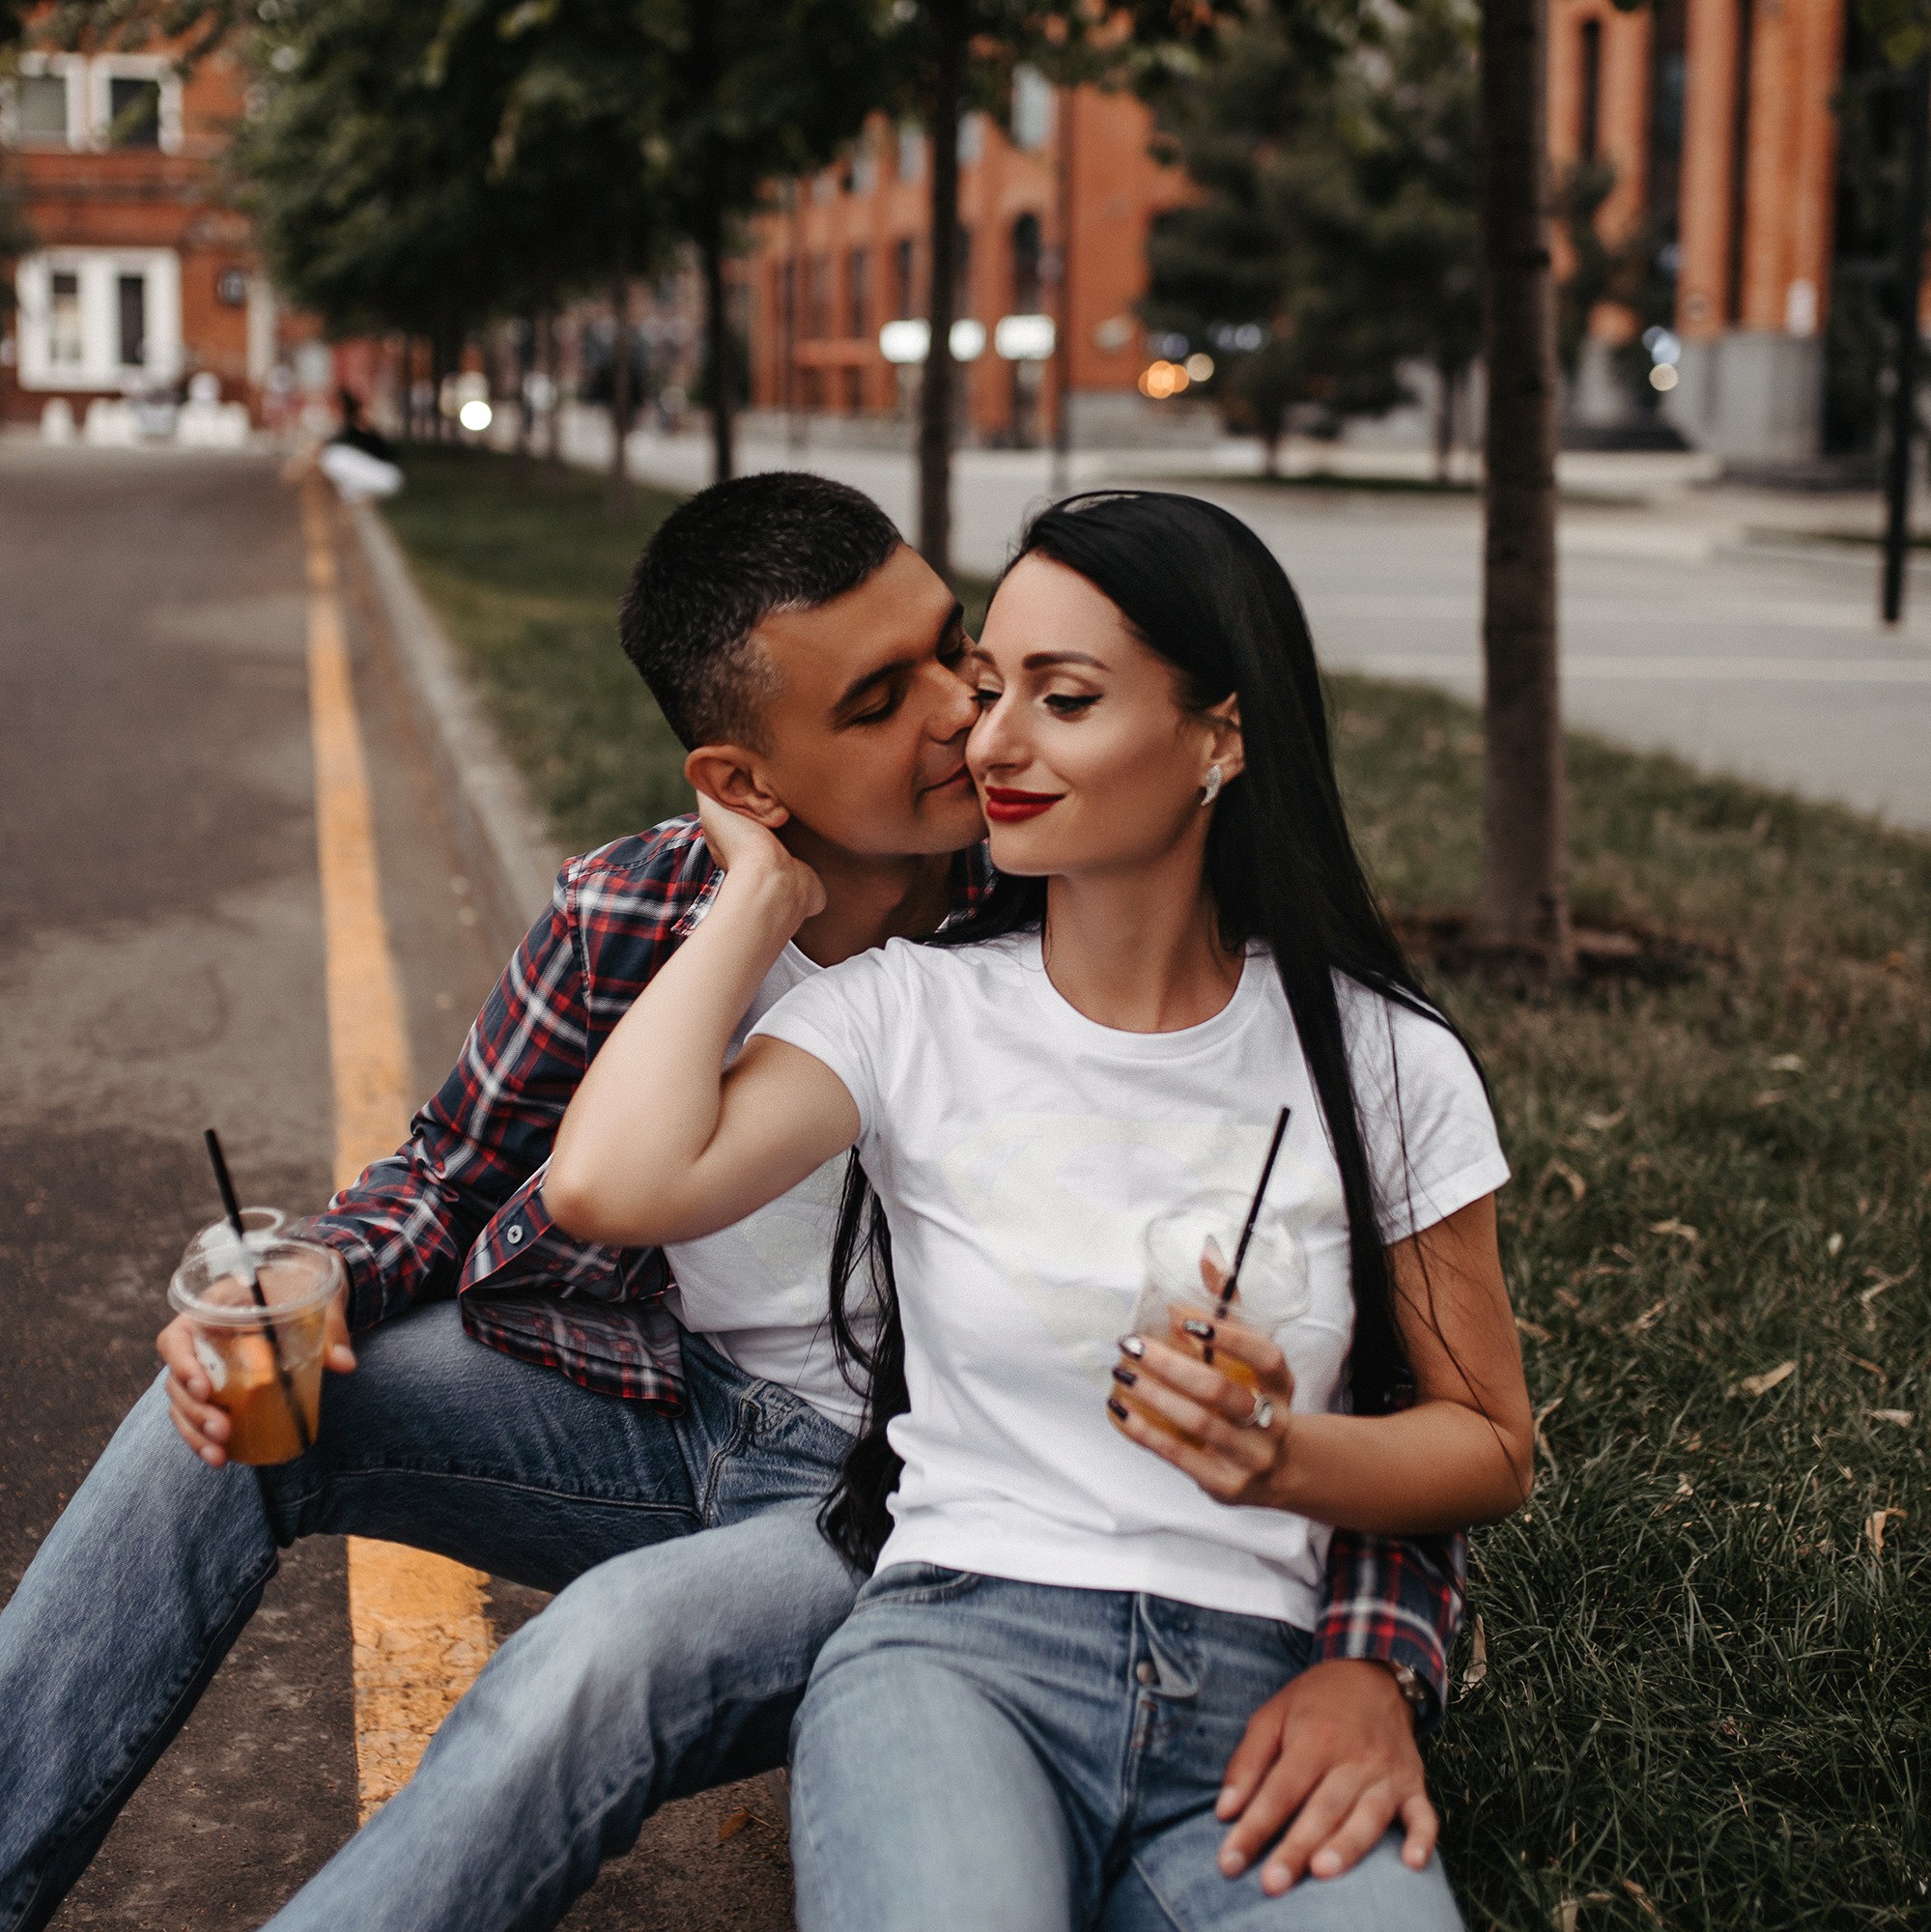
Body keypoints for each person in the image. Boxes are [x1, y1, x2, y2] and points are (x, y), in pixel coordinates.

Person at [0, 476, 1462, 1932]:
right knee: (233, 1403)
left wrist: (1373, 1655)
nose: (967, 716)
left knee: (593, 1661)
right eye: (885, 701)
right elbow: (453, 1174)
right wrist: (305, 1281)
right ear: (748, 783)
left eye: (955, 648)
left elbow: (1345, 1329)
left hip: (899, 1507)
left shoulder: (1077, 878)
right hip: (659, 1408)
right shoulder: (632, 915)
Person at [546, 490, 1535, 1931]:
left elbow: (1490, 1442)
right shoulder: (911, 1012)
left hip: (1257, 1709)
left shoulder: (1384, 1058)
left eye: (1061, 700)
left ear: (1222, 735)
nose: (989, 741)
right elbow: (607, 1184)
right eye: (990, 685)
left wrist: (1283, 1461)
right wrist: (752, 893)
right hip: (957, 1655)